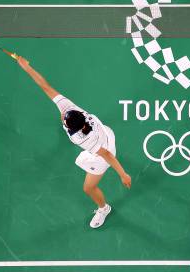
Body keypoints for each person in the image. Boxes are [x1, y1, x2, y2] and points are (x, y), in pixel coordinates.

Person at [16, 55, 131, 229]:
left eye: (64, 121)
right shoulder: (71, 108)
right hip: (107, 132)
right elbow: (45, 86)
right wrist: (27, 67)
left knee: (88, 188)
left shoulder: (84, 139)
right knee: (90, 158)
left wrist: (123, 174)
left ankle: (103, 208)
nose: (62, 116)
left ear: (74, 129)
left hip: (104, 152)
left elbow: (106, 155)